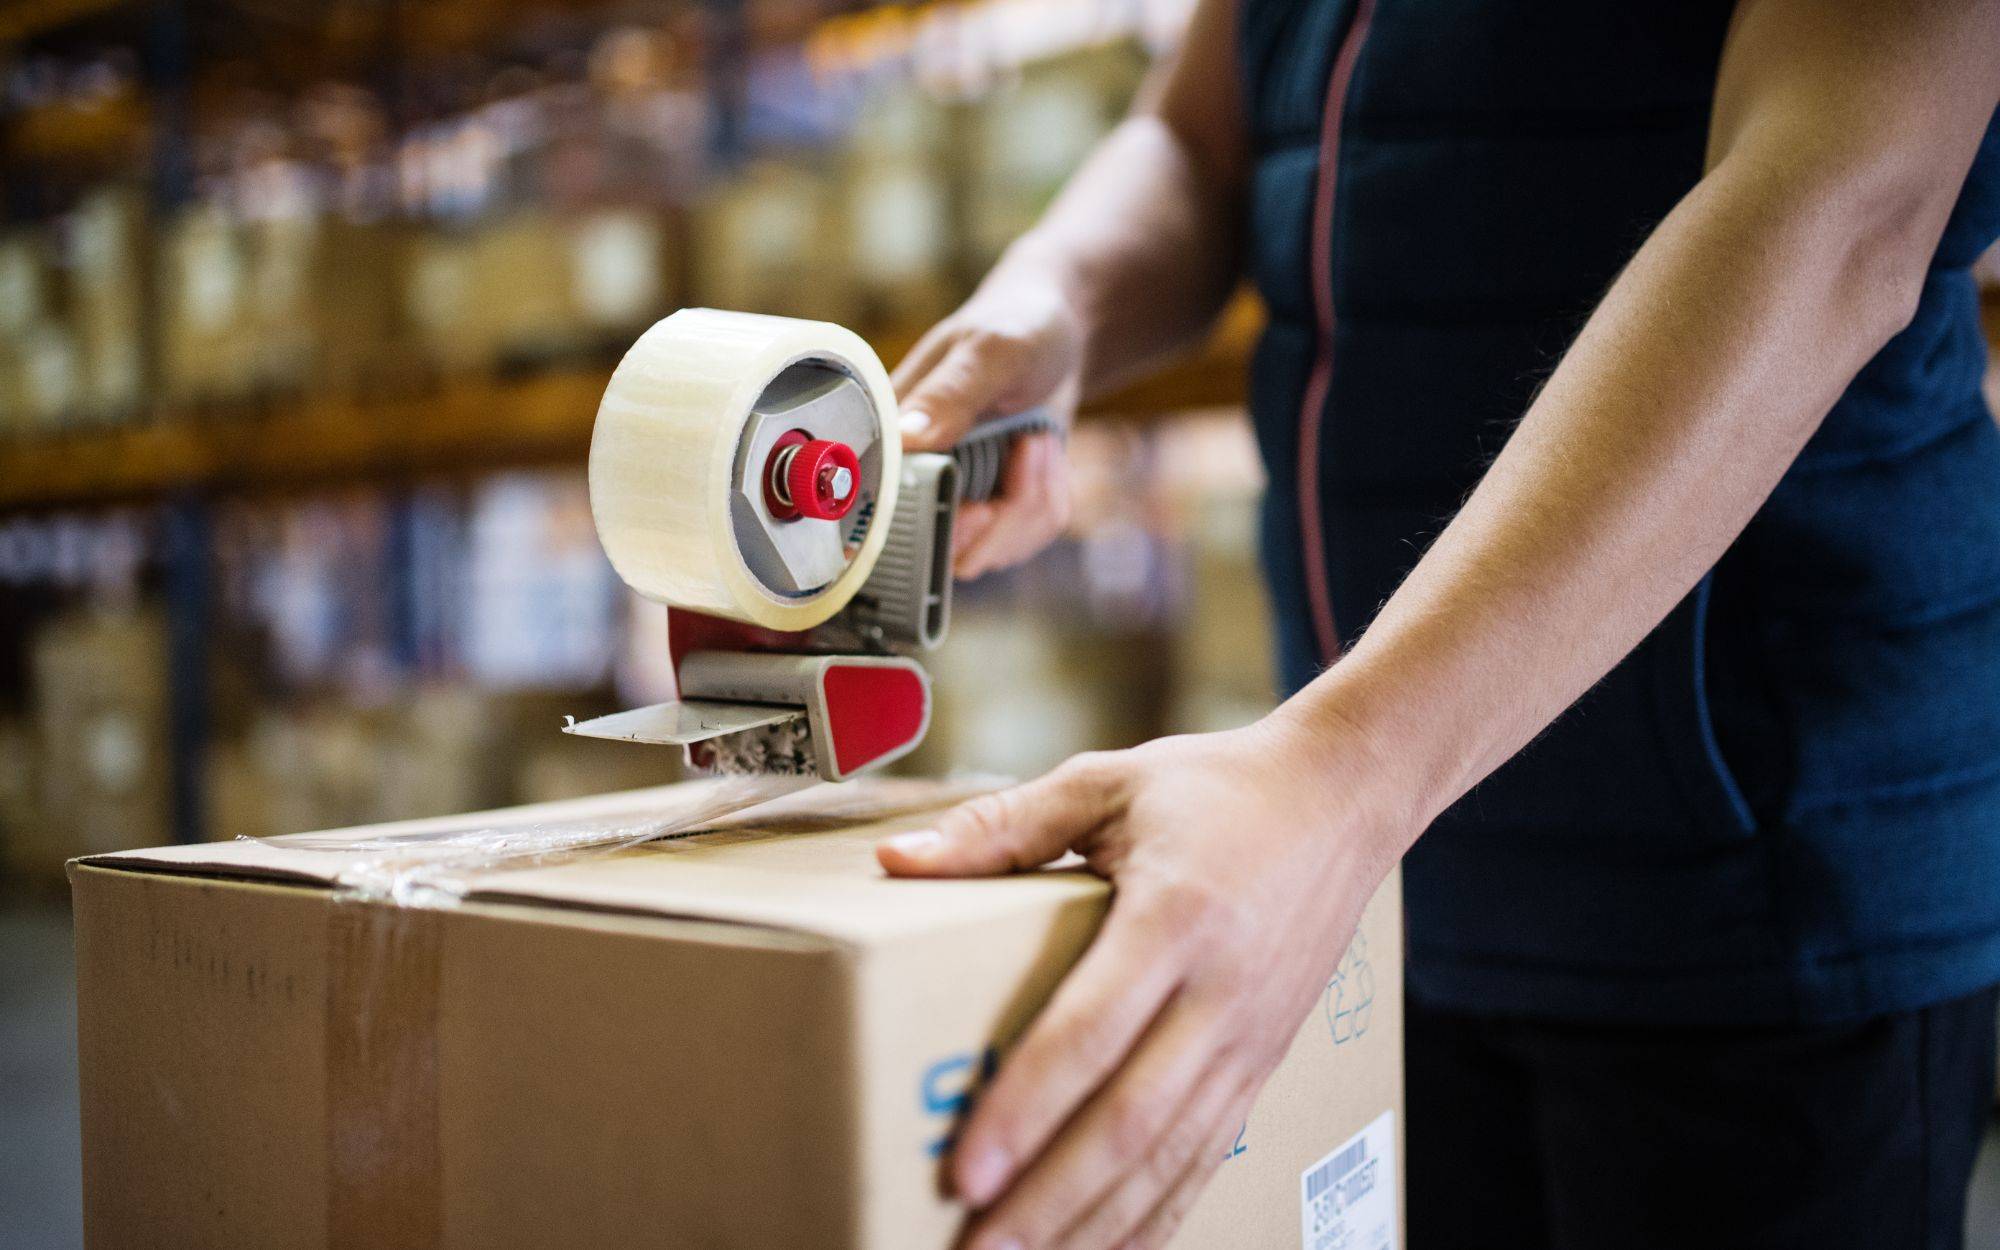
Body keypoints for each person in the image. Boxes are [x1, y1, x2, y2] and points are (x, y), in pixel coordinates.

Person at [868, 1, 2000, 1247]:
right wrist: (1053, 300)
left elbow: (1840, 204)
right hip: (1398, 883)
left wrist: (1343, 770)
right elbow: (1196, 141)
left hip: (1752, 907)